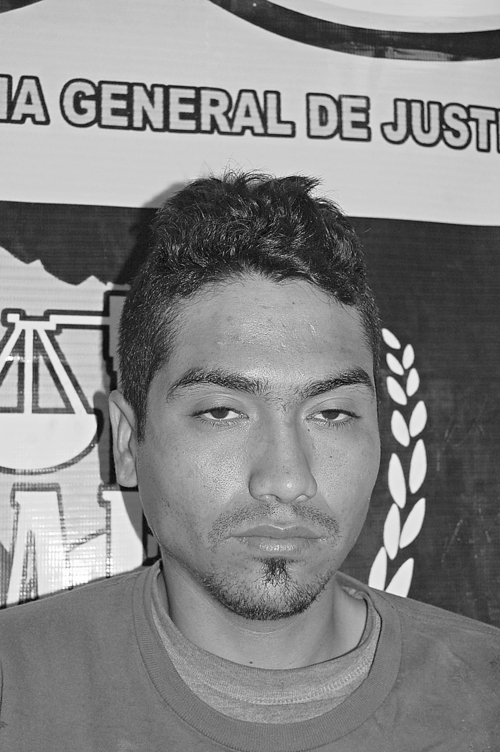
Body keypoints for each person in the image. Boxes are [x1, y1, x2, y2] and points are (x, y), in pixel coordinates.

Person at [0, 172, 498, 751]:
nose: (286, 479)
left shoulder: (485, 697)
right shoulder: (17, 689)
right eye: (221, 412)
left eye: (332, 413)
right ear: (128, 442)